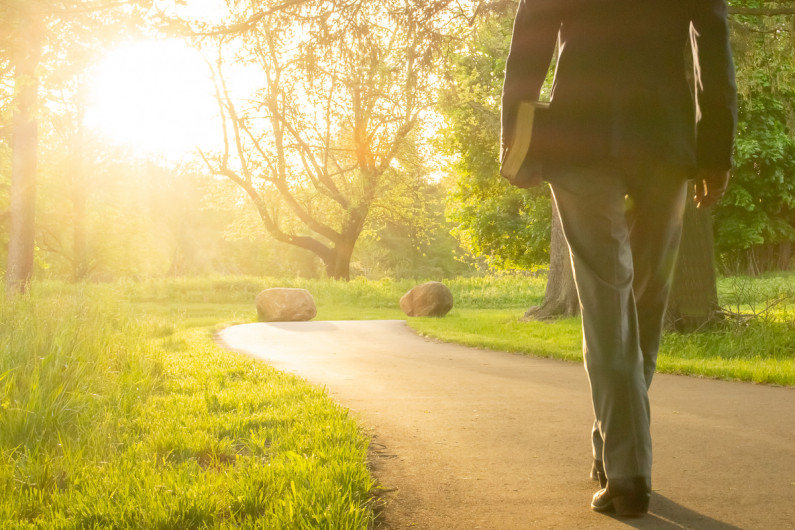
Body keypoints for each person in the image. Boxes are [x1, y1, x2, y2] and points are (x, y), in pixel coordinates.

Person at [501, 0, 737, 517]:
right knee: (646, 299)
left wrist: (514, 139)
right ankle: (622, 456)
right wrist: (716, 149)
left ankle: (625, 466)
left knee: (611, 302)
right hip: (666, 138)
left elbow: (531, 37)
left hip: (579, 136)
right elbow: (712, 37)